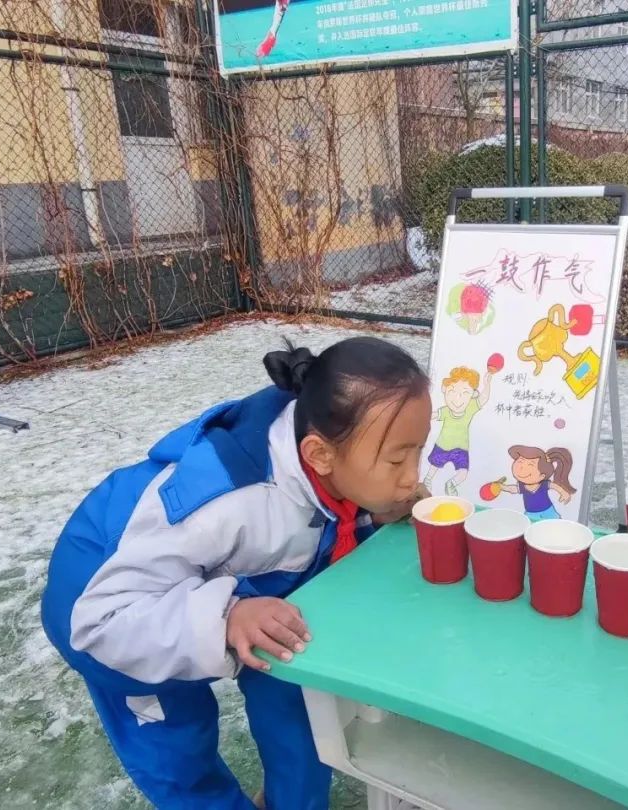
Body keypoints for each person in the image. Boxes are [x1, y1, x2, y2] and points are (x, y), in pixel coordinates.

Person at [40, 337, 431, 809]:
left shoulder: (326, 444)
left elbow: (318, 523)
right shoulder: (224, 502)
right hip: (113, 606)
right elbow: (102, 622)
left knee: (296, 688)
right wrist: (227, 618)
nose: (412, 476)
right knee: (178, 748)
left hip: (233, 580)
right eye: (396, 460)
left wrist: (372, 514)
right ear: (319, 455)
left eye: (418, 452)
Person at [423, 365, 494, 496]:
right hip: (442, 445)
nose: (457, 398)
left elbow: (483, 398)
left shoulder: (470, 407)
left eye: (465, 393)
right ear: (444, 389)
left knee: (463, 473)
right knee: (434, 466)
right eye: (452, 391)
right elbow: (432, 415)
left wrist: (487, 384)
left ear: (473, 394)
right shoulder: (446, 411)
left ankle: (451, 484)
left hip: (461, 448)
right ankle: (427, 479)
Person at [499, 445, 575, 521]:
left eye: (530, 465)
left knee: (554, 525)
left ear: (542, 476)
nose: (521, 467)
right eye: (520, 461)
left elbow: (554, 486)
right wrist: (501, 487)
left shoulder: (543, 484)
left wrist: (563, 492)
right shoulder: (522, 487)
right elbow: (512, 489)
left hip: (548, 511)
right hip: (531, 514)